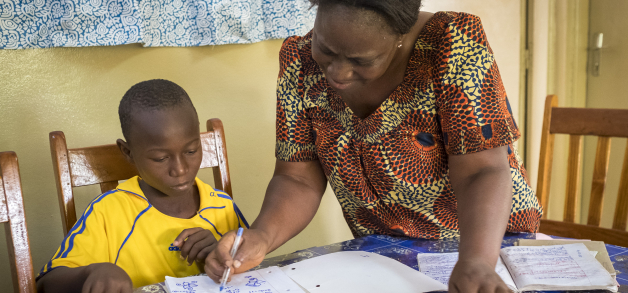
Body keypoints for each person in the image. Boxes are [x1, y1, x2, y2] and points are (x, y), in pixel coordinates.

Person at [206, 1, 541, 292]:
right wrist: (262, 236)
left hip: (487, 247)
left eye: (361, 60)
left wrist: (478, 261)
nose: (337, 72)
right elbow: (298, 178)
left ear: (401, 36)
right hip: (381, 253)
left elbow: (480, 171)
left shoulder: (452, 42)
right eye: (325, 48)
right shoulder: (299, 61)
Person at [36, 79, 248, 292]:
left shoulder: (222, 206)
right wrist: (92, 272)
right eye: (160, 158)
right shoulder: (108, 212)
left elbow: (254, 269)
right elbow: (45, 284)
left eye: (191, 151)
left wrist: (220, 254)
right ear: (128, 152)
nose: (181, 169)